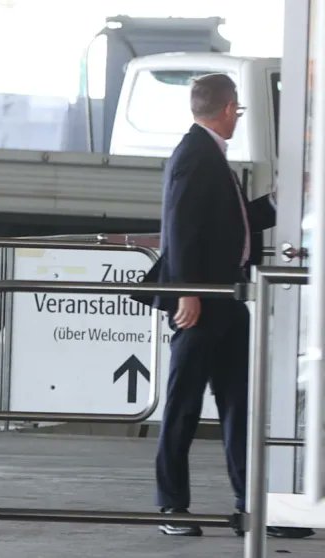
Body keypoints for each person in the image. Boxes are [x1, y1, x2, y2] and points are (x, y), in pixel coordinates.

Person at [149, 73, 312, 539]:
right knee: (182, 406)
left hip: (228, 301)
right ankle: (172, 507)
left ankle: (252, 508)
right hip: (204, 301)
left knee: (240, 406)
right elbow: (178, 227)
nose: (237, 118)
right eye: (237, 110)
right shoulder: (195, 155)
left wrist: (281, 200)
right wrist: (186, 291)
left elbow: (237, 223)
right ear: (227, 110)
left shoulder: (210, 157)